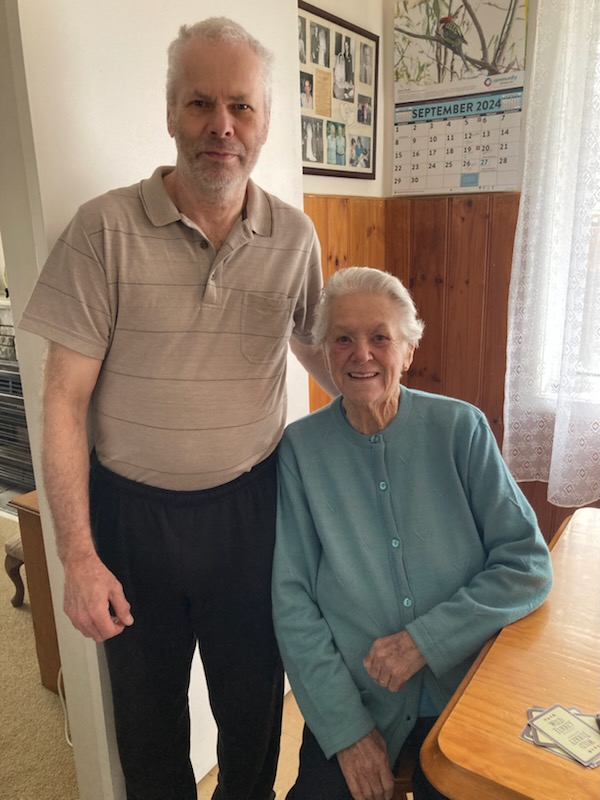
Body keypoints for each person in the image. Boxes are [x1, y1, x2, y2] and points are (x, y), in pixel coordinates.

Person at [20, 17, 335, 800]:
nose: (221, 125)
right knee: (149, 734)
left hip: (252, 515)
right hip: (132, 523)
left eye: (241, 106)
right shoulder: (102, 230)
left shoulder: (295, 237)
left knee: (253, 723)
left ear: (264, 121)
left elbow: (319, 350)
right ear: (171, 113)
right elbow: (63, 401)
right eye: (200, 103)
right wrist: (77, 556)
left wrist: (394, 388)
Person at [272, 267, 553, 800]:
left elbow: (527, 564)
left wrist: (426, 640)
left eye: (380, 337)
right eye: (343, 339)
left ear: (407, 350)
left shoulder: (461, 429)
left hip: (464, 695)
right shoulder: (301, 450)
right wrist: (347, 730)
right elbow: (293, 604)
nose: (361, 354)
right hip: (359, 700)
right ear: (325, 352)